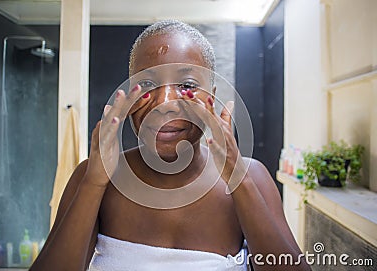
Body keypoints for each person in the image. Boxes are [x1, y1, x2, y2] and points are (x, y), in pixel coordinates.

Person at [30, 20, 311, 271]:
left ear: (211, 97)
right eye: (148, 84)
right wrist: (93, 183)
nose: (164, 104)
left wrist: (239, 180)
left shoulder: (254, 177)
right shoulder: (92, 177)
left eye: (186, 84)